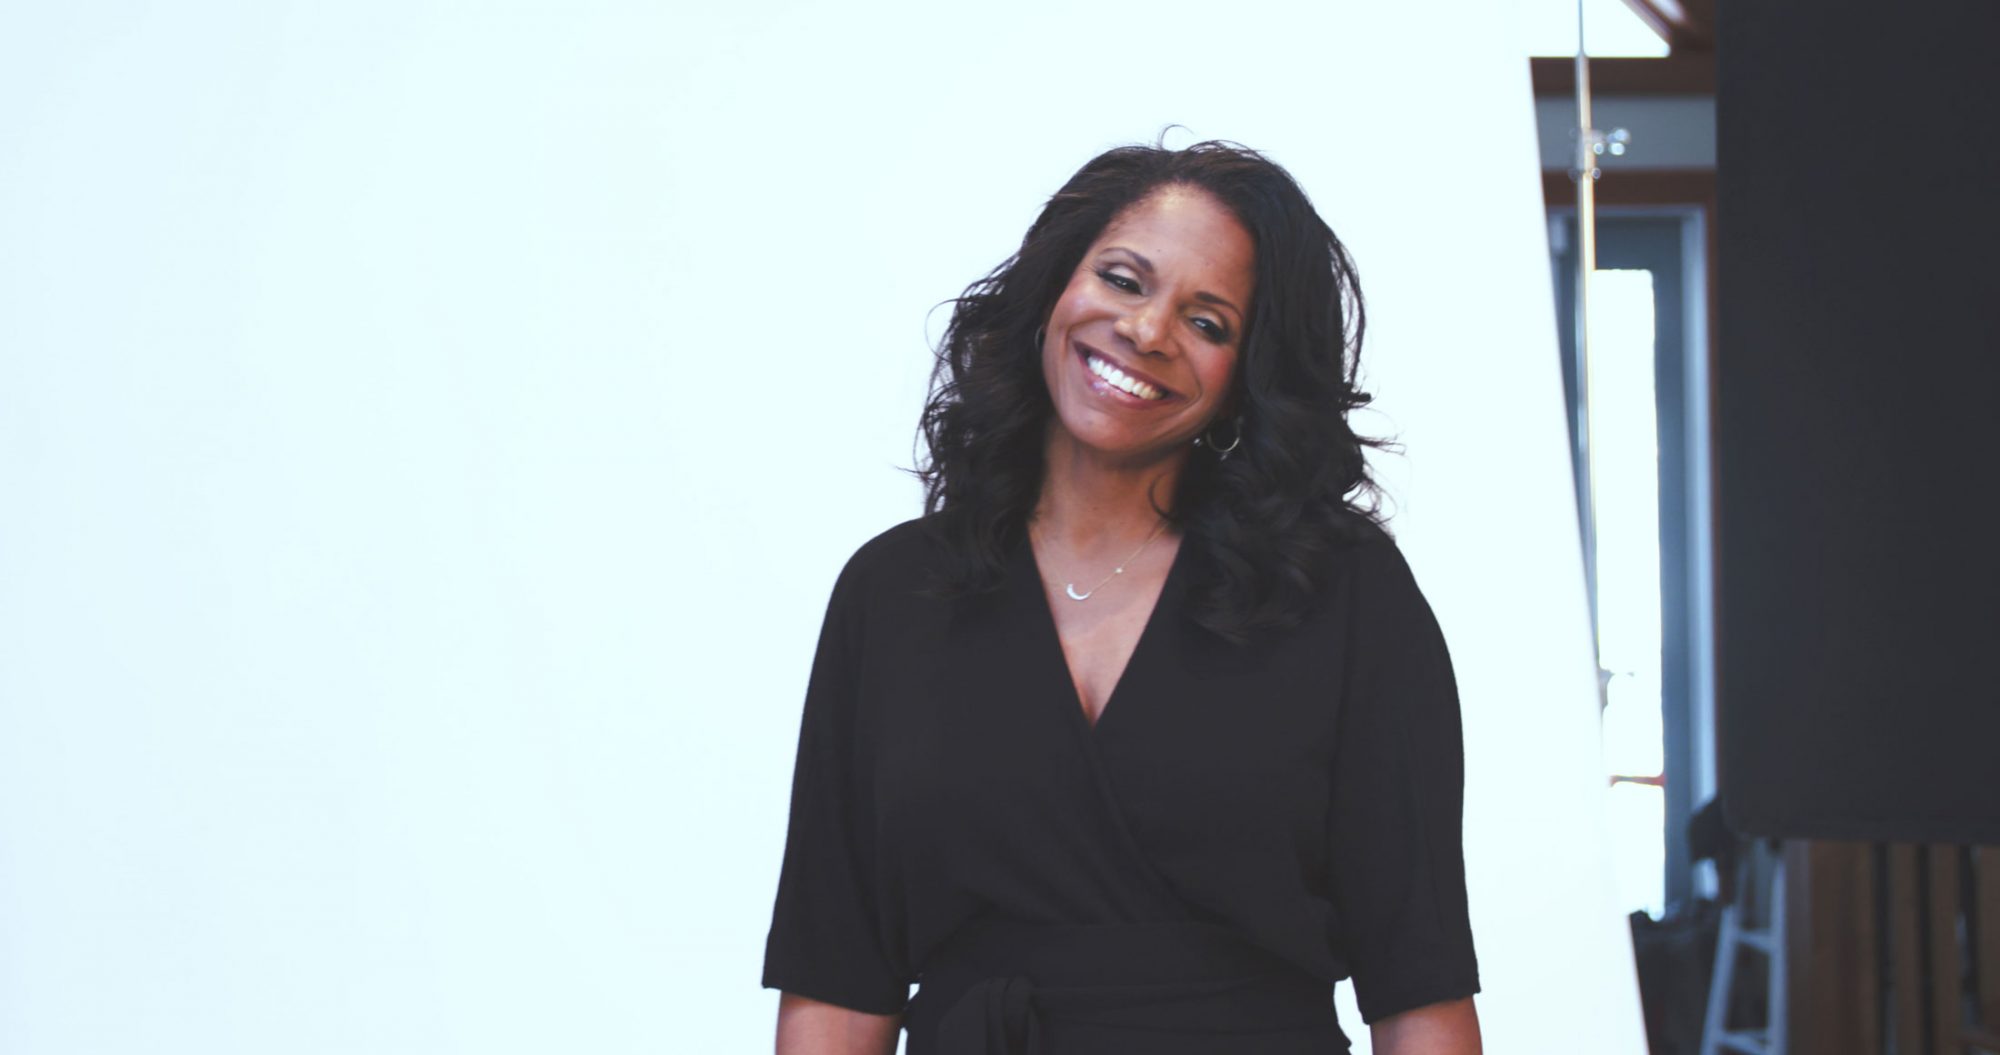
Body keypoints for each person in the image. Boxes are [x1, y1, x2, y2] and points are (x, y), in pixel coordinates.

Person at [762, 137, 1483, 1055]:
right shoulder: (893, 590)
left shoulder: (1344, 594)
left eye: (1209, 321)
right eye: (1124, 279)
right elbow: (837, 977)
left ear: (1246, 380)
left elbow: (1417, 976)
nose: (1148, 332)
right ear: (1053, 287)